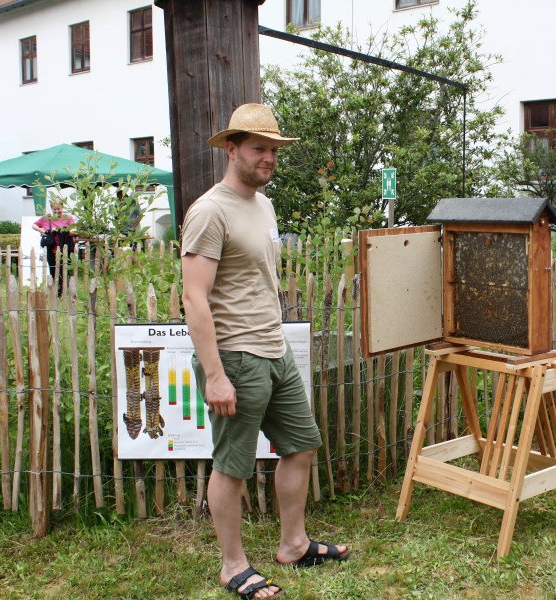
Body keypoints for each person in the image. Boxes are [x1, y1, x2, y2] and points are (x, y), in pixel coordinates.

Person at [181, 103, 349, 599]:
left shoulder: (264, 204)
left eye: (274, 150)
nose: (269, 158)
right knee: (232, 465)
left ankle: (293, 544)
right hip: (234, 355)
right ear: (231, 150)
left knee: (302, 443)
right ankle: (232, 566)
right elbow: (194, 296)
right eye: (259, 148)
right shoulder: (209, 211)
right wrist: (214, 374)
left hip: (274, 350)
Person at [32, 199, 75, 297]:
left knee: (64, 269)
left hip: (65, 248)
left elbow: (74, 230)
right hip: (51, 248)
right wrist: (41, 230)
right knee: (53, 269)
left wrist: (63, 230)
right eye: (54, 209)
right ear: (51, 209)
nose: (56, 211)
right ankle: (55, 290)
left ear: (62, 208)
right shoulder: (47, 217)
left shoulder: (68, 218)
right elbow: (34, 225)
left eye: (58, 209)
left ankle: (63, 291)